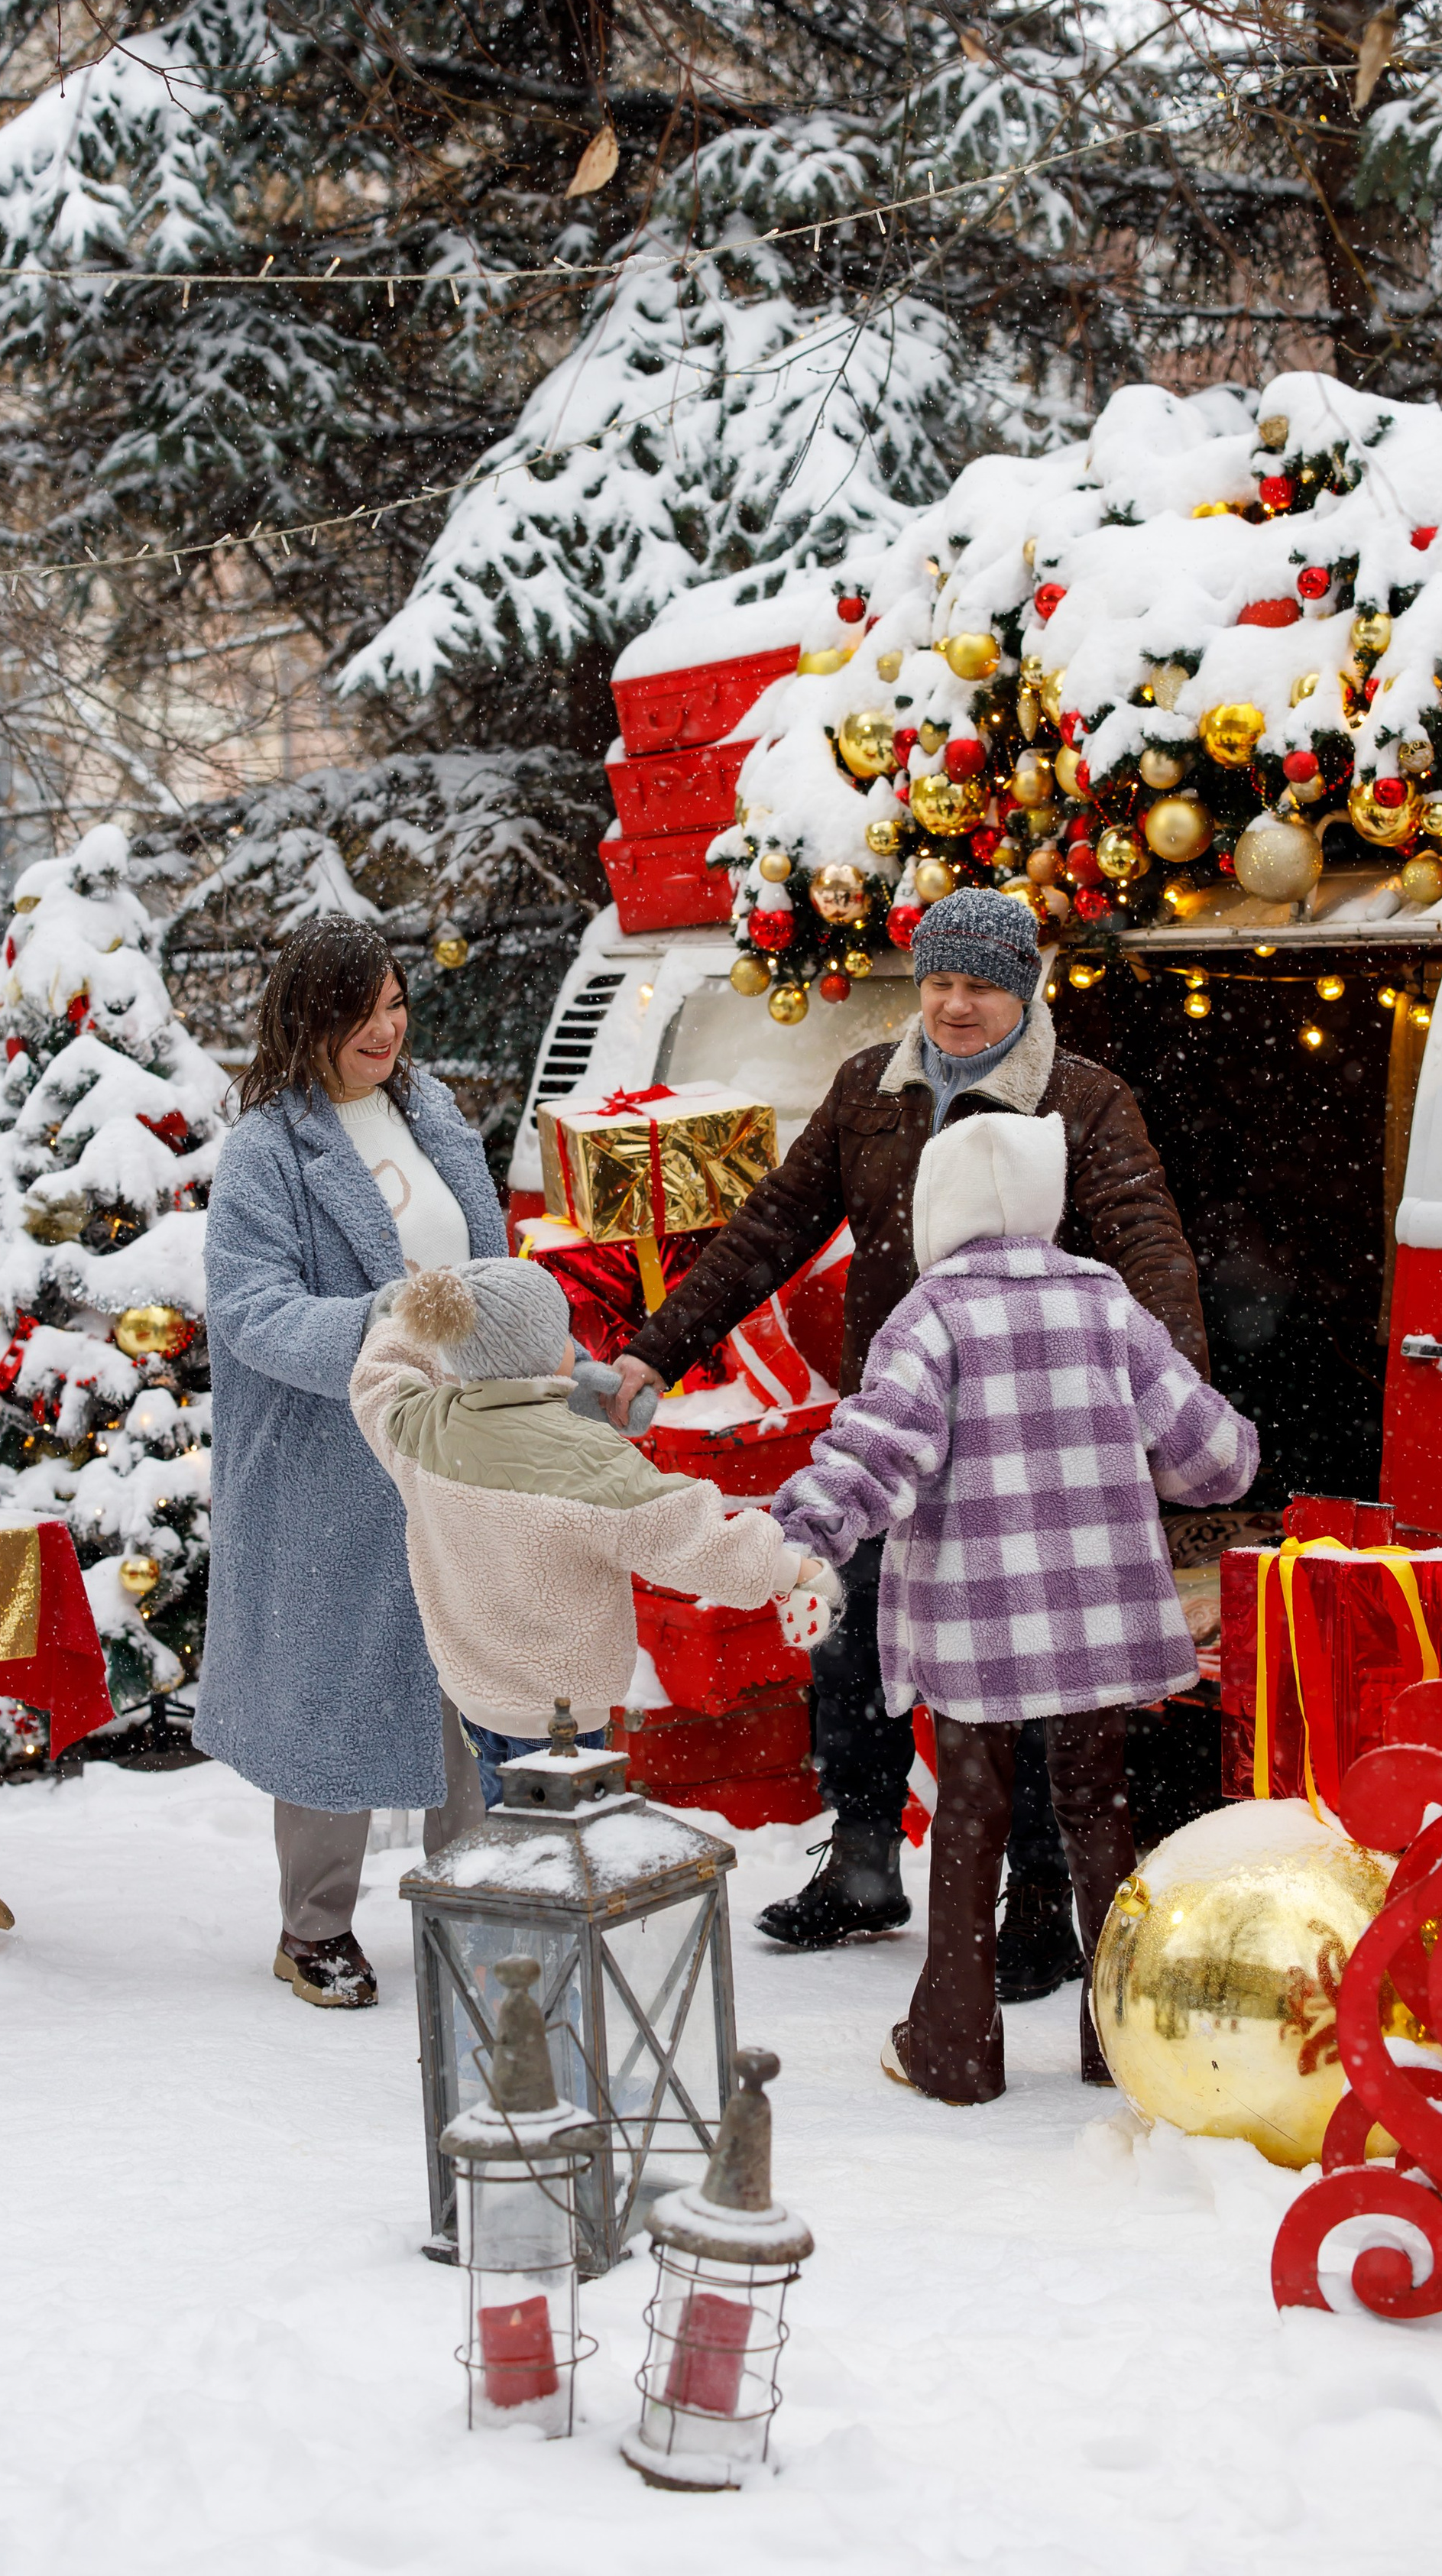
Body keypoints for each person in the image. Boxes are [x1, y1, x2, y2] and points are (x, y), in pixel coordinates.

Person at [605, 886, 1208, 1992]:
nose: (954, 1007)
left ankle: (1040, 1903)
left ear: (1024, 990)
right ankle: (864, 1860)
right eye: (938, 983)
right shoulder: (868, 1090)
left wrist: (1173, 1404)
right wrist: (657, 1349)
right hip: (893, 1420)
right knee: (850, 1637)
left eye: (980, 986)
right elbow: (768, 1229)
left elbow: (1149, 1248)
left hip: (1026, 1440)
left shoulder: (1082, 1100)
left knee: (1028, 1669)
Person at [773, 1110, 1259, 2103]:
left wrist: (804, 1533)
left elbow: (877, 1450)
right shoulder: (1107, 1303)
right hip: (1099, 1619)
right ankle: (1120, 2039)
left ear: (938, 1208)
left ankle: (955, 2044)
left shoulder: (931, 1317)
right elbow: (1212, 1461)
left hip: (975, 1624)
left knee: (972, 1813)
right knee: (1098, 1807)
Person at [199, 917, 507, 2009]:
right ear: (310, 1018)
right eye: (362, 1012)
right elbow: (250, 1310)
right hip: (332, 1459)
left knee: (469, 1672)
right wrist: (386, 1328)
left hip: (458, 1443)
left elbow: (483, 1261)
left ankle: (473, 1899)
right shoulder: (266, 1151)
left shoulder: (435, 1114)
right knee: (333, 1683)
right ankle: (315, 1925)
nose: (387, 1029)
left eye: (396, 1005)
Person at [348, 1256, 838, 1781]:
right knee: (568, 1829)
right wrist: (791, 1571)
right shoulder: (590, 1460)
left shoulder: (425, 1427)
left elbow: (378, 1382)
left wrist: (397, 1322)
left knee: (508, 1823)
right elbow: (691, 1540)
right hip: (563, 1724)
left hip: (475, 1699)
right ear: (544, 1351)